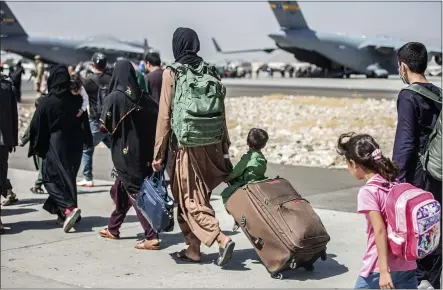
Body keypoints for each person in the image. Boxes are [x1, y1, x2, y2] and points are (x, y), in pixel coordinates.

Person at [152, 27, 234, 266]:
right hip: (213, 144)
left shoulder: (173, 72)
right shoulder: (210, 70)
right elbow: (222, 112)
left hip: (187, 146)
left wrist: (158, 153)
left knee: (189, 199)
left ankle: (220, 239)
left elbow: (164, 117)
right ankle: (193, 249)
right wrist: (225, 146)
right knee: (199, 196)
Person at [337, 133, 418, 289]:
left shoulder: (368, 191)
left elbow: (379, 230)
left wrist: (384, 270)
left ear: (354, 164)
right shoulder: (394, 182)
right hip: (407, 263)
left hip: (378, 267)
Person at [392, 42, 442, 290]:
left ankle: (419, 279)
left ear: (403, 66)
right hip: (438, 171)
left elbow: (405, 141)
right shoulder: (438, 93)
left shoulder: (408, 96)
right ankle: (432, 279)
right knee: (434, 224)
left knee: (416, 227)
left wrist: (395, 180)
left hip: (418, 174)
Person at [98, 60, 160, 250]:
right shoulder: (144, 97)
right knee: (122, 189)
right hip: (145, 152)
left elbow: (103, 126)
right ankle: (113, 228)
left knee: (134, 192)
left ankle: (151, 236)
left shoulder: (114, 98)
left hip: (125, 154)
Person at [29, 65, 92, 233]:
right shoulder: (76, 99)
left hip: (57, 143)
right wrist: (87, 140)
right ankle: (63, 214)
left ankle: (69, 209)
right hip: (76, 144)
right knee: (67, 178)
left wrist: (37, 145)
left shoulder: (48, 101)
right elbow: (84, 119)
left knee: (50, 179)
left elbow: (36, 125)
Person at [77, 52, 112, 187]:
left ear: (93, 64)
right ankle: (122, 176)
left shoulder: (87, 81)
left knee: (87, 148)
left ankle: (87, 177)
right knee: (115, 149)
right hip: (110, 119)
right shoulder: (111, 78)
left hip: (95, 120)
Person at [19, 96, 45, 194]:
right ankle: (38, 185)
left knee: (43, 166)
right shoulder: (46, 114)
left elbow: (30, 129)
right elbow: (31, 129)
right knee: (43, 167)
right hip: (44, 146)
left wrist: (22, 141)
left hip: (40, 146)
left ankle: (38, 185)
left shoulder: (38, 115)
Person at [0, 73, 19, 210]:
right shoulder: (7, 87)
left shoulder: (7, 87)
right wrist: (13, 139)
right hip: (4, 139)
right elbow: (14, 115)